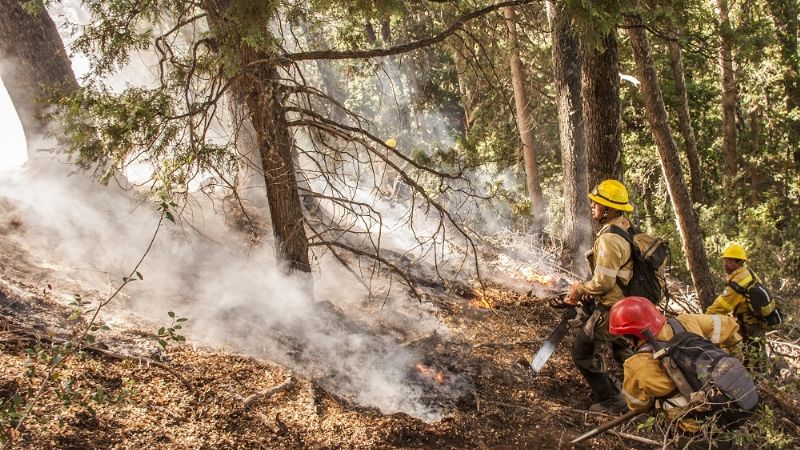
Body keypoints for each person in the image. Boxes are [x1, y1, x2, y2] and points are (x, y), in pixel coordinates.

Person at [609, 296, 749, 450]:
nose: (626, 342)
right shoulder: (686, 321)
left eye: (625, 336)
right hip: (730, 419)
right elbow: (731, 326)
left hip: (694, 436)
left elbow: (637, 405)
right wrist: (729, 361)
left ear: (633, 334)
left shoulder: (636, 365)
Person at [563, 179, 635, 412]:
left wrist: (580, 289)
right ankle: (638, 396)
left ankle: (612, 401)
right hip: (627, 305)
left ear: (610, 209)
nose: (593, 205)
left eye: (598, 203)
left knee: (582, 352)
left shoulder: (610, 238)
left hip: (613, 307)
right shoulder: (624, 226)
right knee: (625, 353)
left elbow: (604, 282)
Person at [705, 243, 772, 369]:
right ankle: (748, 373)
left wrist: (701, 320)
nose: (725, 264)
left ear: (739, 262)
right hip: (753, 322)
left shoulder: (739, 281)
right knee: (751, 352)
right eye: (725, 260)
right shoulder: (747, 272)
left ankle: (755, 380)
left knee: (754, 357)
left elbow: (720, 306)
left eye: (729, 261)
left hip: (751, 324)